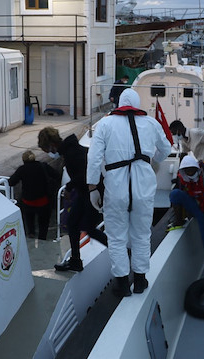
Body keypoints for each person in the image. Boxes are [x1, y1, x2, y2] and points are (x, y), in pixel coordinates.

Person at [87, 89, 171, 297]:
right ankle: (140, 280)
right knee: (142, 234)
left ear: (119, 103)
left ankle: (122, 284)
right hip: (143, 186)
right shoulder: (151, 123)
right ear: (137, 103)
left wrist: (92, 187)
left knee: (116, 237)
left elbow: (94, 158)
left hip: (116, 188)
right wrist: (154, 160)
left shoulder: (105, 124)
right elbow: (166, 149)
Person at [38, 126, 108, 272]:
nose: (50, 153)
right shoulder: (70, 149)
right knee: (72, 223)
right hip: (85, 192)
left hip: (92, 192)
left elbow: (83, 174)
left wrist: (69, 187)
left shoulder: (72, 152)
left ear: (52, 145)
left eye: (48, 150)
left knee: (88, 228)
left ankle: (119, 251)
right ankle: (75, 260)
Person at [169, 155, 204, 274]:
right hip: (194, 207)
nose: (190, 172)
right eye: (187, 169)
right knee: (175, 194)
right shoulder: (182, 179)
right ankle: (179, 220)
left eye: (192, 169)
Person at [8, 150, 60, 241]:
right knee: (43, 224)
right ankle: (42, 240)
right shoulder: (43, 166)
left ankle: (31, 236)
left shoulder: (22, 169)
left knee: (30, 223)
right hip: (43, 201)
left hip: (28, 202)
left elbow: (11, 182)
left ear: (23, 160)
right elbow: (57, 175)